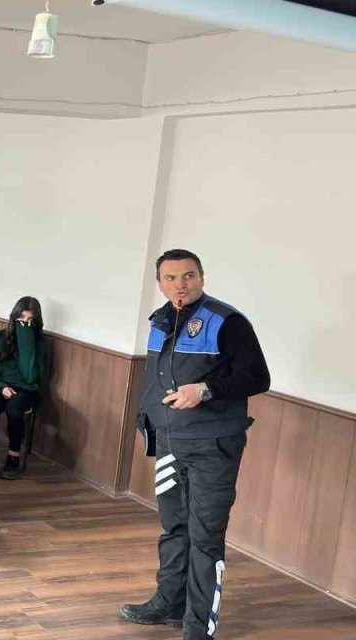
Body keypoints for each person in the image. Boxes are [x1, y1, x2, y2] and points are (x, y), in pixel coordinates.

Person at [121, 249, 270, 640]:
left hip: (212, 445)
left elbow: (257, 377)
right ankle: (168, 602)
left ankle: (198, 626)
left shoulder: (227, 321)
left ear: (201, 277)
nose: (180, 284)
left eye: (188, 276)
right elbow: (156, 379)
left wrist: (204, 390)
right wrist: (147, 419)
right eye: (170, 278)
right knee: (174, 528)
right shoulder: (160, 320)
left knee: (205, 537)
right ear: (160, 283)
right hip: (170, 442)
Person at [0, 296, 50, 480]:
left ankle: (13, 457)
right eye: (21, 319)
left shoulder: (41, 344)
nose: (24, 324)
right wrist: (1, 387)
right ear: (14, 317)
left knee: (15, 408)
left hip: (26, 388)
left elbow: (30, 376)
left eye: (30, 321)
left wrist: (26, 340)